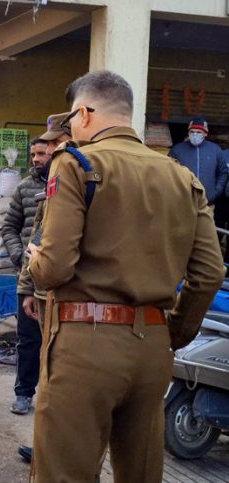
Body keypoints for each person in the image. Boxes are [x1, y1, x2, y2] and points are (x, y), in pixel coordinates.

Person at [28, 70, 224, 482]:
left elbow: (54, 268)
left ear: (84, 112)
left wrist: (34, 261)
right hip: (152, 347)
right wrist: (172, 333)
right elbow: (208, 273)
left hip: (84, 344)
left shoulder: (77, 163)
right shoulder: (182, 177)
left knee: (64, 472)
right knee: (141, 473)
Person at [13, 112, 71, 464]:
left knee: (61, 370)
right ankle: (46, 441)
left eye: (50, 147)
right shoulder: (33, 188)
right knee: (41, 354)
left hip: (65, 293)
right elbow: (31, 235)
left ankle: (54, 452)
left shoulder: (74, 178)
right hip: (39, 284)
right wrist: (25, 285)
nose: (43, 155)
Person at [0, 137, 50, 415]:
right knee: (28, 340)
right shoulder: (24, 188)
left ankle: (50, 398)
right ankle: (23, 394)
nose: (36, 159)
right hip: (28, 277)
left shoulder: (66, 185)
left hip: (55, 278)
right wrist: (20, 256)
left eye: (41, 154)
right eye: (33, 154)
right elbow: (9, 227)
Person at [168, 116, 228, 207]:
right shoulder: (177, 150)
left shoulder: (215, 150)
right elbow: (169, 172)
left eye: (199, 132)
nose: (194, 135)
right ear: (188, 133)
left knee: (206, 222)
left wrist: (215, 192)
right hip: (182, 203)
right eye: (192, 132)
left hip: (207, 204)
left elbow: (223, 172)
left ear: (205, 133)